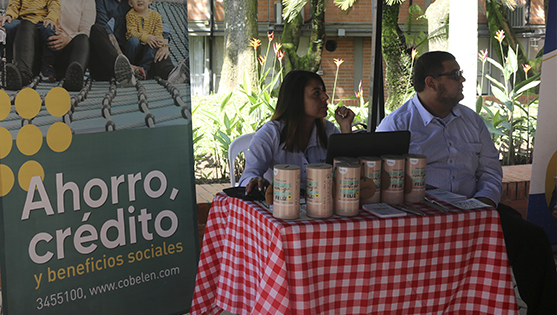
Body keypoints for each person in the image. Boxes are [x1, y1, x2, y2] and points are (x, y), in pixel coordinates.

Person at [376, 50, 557, 315]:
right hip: (424, 219)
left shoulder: (472, 120)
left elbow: (491, 171)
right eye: (455, 74)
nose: (462, 79)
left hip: (477, 209)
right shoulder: (397, 125)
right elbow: (383, 183)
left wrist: (484, 201)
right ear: (431, 82)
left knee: (533, 240)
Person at [239, 70, 355, 194]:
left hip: (321, 206)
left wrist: (346, 127)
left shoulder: (329, 131)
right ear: (296, 99)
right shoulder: (270, 133)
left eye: (323, 91)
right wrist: (255, 181)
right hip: (279, 208)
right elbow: (248, 176)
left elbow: (348, 175)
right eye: (316, 93)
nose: (325, 97)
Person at [90, 0, 175, 85]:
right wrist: (125, 62)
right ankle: (126, 70)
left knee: (155, 41)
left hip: (137, 54)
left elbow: (157, 21)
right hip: (111, 58)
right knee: (96, 29)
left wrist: (164, 44)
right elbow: (105, 30)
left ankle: (173, 73)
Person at [45, 0, 95, 91]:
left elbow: (86, 31)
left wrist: (68, 39)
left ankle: (74, 77)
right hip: (48, 55)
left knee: (82, 38)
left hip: (71, 54)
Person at [124, 0, 168, 76]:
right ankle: (129, 67)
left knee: (155, 44)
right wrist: (146, 38)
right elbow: (131, 32)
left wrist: (160, 42)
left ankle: (144, 70)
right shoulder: (130, 15)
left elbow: (158, 32)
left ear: (150, 0)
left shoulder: (156, 16)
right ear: (131, 3)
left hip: (148, 50)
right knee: (133, 41)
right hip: (135, 50)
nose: (139, 0)